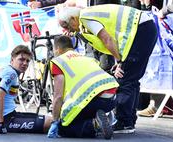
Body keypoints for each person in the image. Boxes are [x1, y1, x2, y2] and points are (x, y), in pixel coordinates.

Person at [56, 5, 158, 133]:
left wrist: (120, 61)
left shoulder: (86, 18)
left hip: (140, 30)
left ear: (73, 18)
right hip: (144, 28)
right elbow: (114, 38)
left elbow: (107, 39)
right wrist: (118, 60)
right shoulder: (86, 18)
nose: (68, 31)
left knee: (124, 78)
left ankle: (124, 123)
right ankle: (129, 122)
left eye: (67, 26)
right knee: (131, 77)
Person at [47, 35, 119, 139]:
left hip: (91, 101)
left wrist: (55, 121)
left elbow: (58, 96)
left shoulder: (58, 61)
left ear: (57, 49)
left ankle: (94, 125)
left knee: (65, 129)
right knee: (82, 113)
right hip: (112, 99)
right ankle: (104, 117)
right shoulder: (87, 58)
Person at [0, 45, 52, 134]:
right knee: (51, 122)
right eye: (21, 59)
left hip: (10, 115)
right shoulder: (11, 74)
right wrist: (0, 124)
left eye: (27, 61)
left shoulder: (6, 70)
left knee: (49, 118)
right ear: (12, 59)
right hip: (6, 120)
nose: (25, 63)